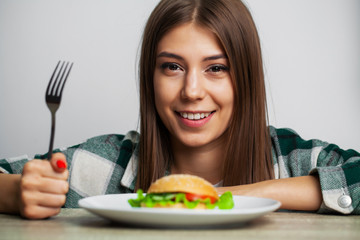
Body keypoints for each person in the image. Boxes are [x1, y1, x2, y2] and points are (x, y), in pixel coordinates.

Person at [0, 0, 359, 219]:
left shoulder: (290, 159)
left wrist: (220, 198)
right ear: (150, 77)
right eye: (172, 67)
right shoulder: (108, 165)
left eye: (216, 68)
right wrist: (16, 193)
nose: (191, 91)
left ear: (245, 78)